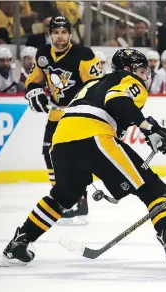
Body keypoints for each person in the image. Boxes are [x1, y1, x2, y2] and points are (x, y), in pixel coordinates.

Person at [0, 48, 166, 274]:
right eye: (142, 70)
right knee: (154, 189)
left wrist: (149, 130)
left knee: (64, 196)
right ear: (128, 69)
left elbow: (111, 109)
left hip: (61, 141)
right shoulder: (128, 80)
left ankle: (18, 244)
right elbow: (116, 101)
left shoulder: (92, 83)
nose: (146, 76)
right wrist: (149, 128)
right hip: (93, 137)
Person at [24, 16, 102, 225]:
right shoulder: (43, 55)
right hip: (57, 114)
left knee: (77, 158)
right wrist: (35, 92)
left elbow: (96, 86)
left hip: (79, 115)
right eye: (56, 32)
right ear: (50, 34)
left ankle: (80, 200)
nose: (60, 36)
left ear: (70, 34)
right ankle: (60, 197)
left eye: (64, 32)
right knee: (49, 153)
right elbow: (33, 81)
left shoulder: (83, 54)